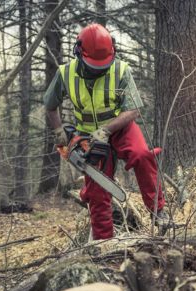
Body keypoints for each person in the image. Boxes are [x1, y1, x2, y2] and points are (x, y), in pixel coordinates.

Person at [44, 23, 167, 240]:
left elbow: (133, 110)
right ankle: (103, 242)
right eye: (94, 66)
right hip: (87, 135)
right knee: (97, 191)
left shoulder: (120, 70)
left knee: (141, 154)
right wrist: (58, 132)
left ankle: (159, 211)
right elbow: (50, 106)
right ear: (79, 53)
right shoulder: (66, 74)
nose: (98, 69)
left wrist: (107, 130)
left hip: (120, 127)